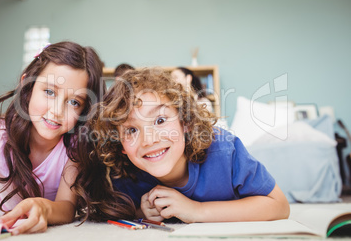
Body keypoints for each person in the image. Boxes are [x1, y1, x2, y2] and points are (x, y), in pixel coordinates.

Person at [89, 67, 290, 223]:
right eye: (131, 130)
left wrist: (197, 210)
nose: (149, 140)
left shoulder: (224, 151)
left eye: (160, 121)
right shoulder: (126, 174)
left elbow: (280, 206)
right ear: (120, 144)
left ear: (185, 122)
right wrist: (140, 212)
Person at [0, 41, 105, 234]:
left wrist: (44, 207)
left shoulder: (74, 146)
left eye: (74, 102)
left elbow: (66, 207)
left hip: (10, 188)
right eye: (49, 92)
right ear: (27, 86)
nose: (56, 112)